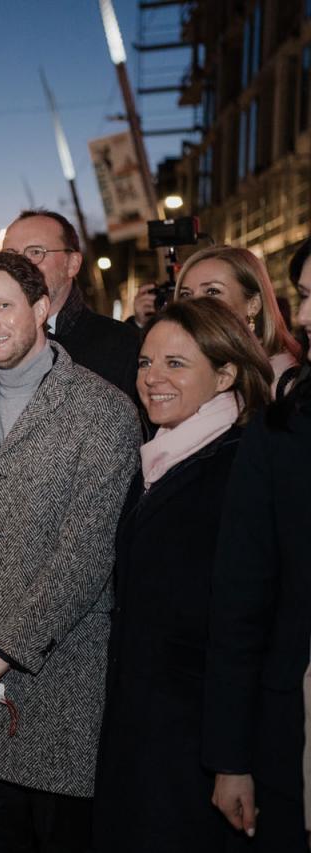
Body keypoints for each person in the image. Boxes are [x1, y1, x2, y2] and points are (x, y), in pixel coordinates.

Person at [0, 250, 141, 850]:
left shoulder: (105, 411)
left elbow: (85, 555)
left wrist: (5, 648)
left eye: (5, 307)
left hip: (59, 680)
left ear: (42, 308)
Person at [93, 298, 272, 852]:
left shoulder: (240, 464)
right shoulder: (161, 457)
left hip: (196, 743)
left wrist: (230, 760)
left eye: (176, 363)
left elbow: (244, 625)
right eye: (146, 363)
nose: (153, 378)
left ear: (225, 373)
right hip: (144, 728)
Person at [202, 272, 311, 851]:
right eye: (308, 296)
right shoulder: (280, 428)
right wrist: (231, 757)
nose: (307, 317)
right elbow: (241, 602)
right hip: (293, 732)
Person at [2, 209, 140, 399]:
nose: (21, 265)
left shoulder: (123, 346)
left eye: (36, 252)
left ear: (72, 264)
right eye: (11, 255)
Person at [176, 245, 304, 393]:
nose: (193, 305)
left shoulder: (283, 381)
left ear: (253, 305)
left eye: (212, 291)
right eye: (186, 295)